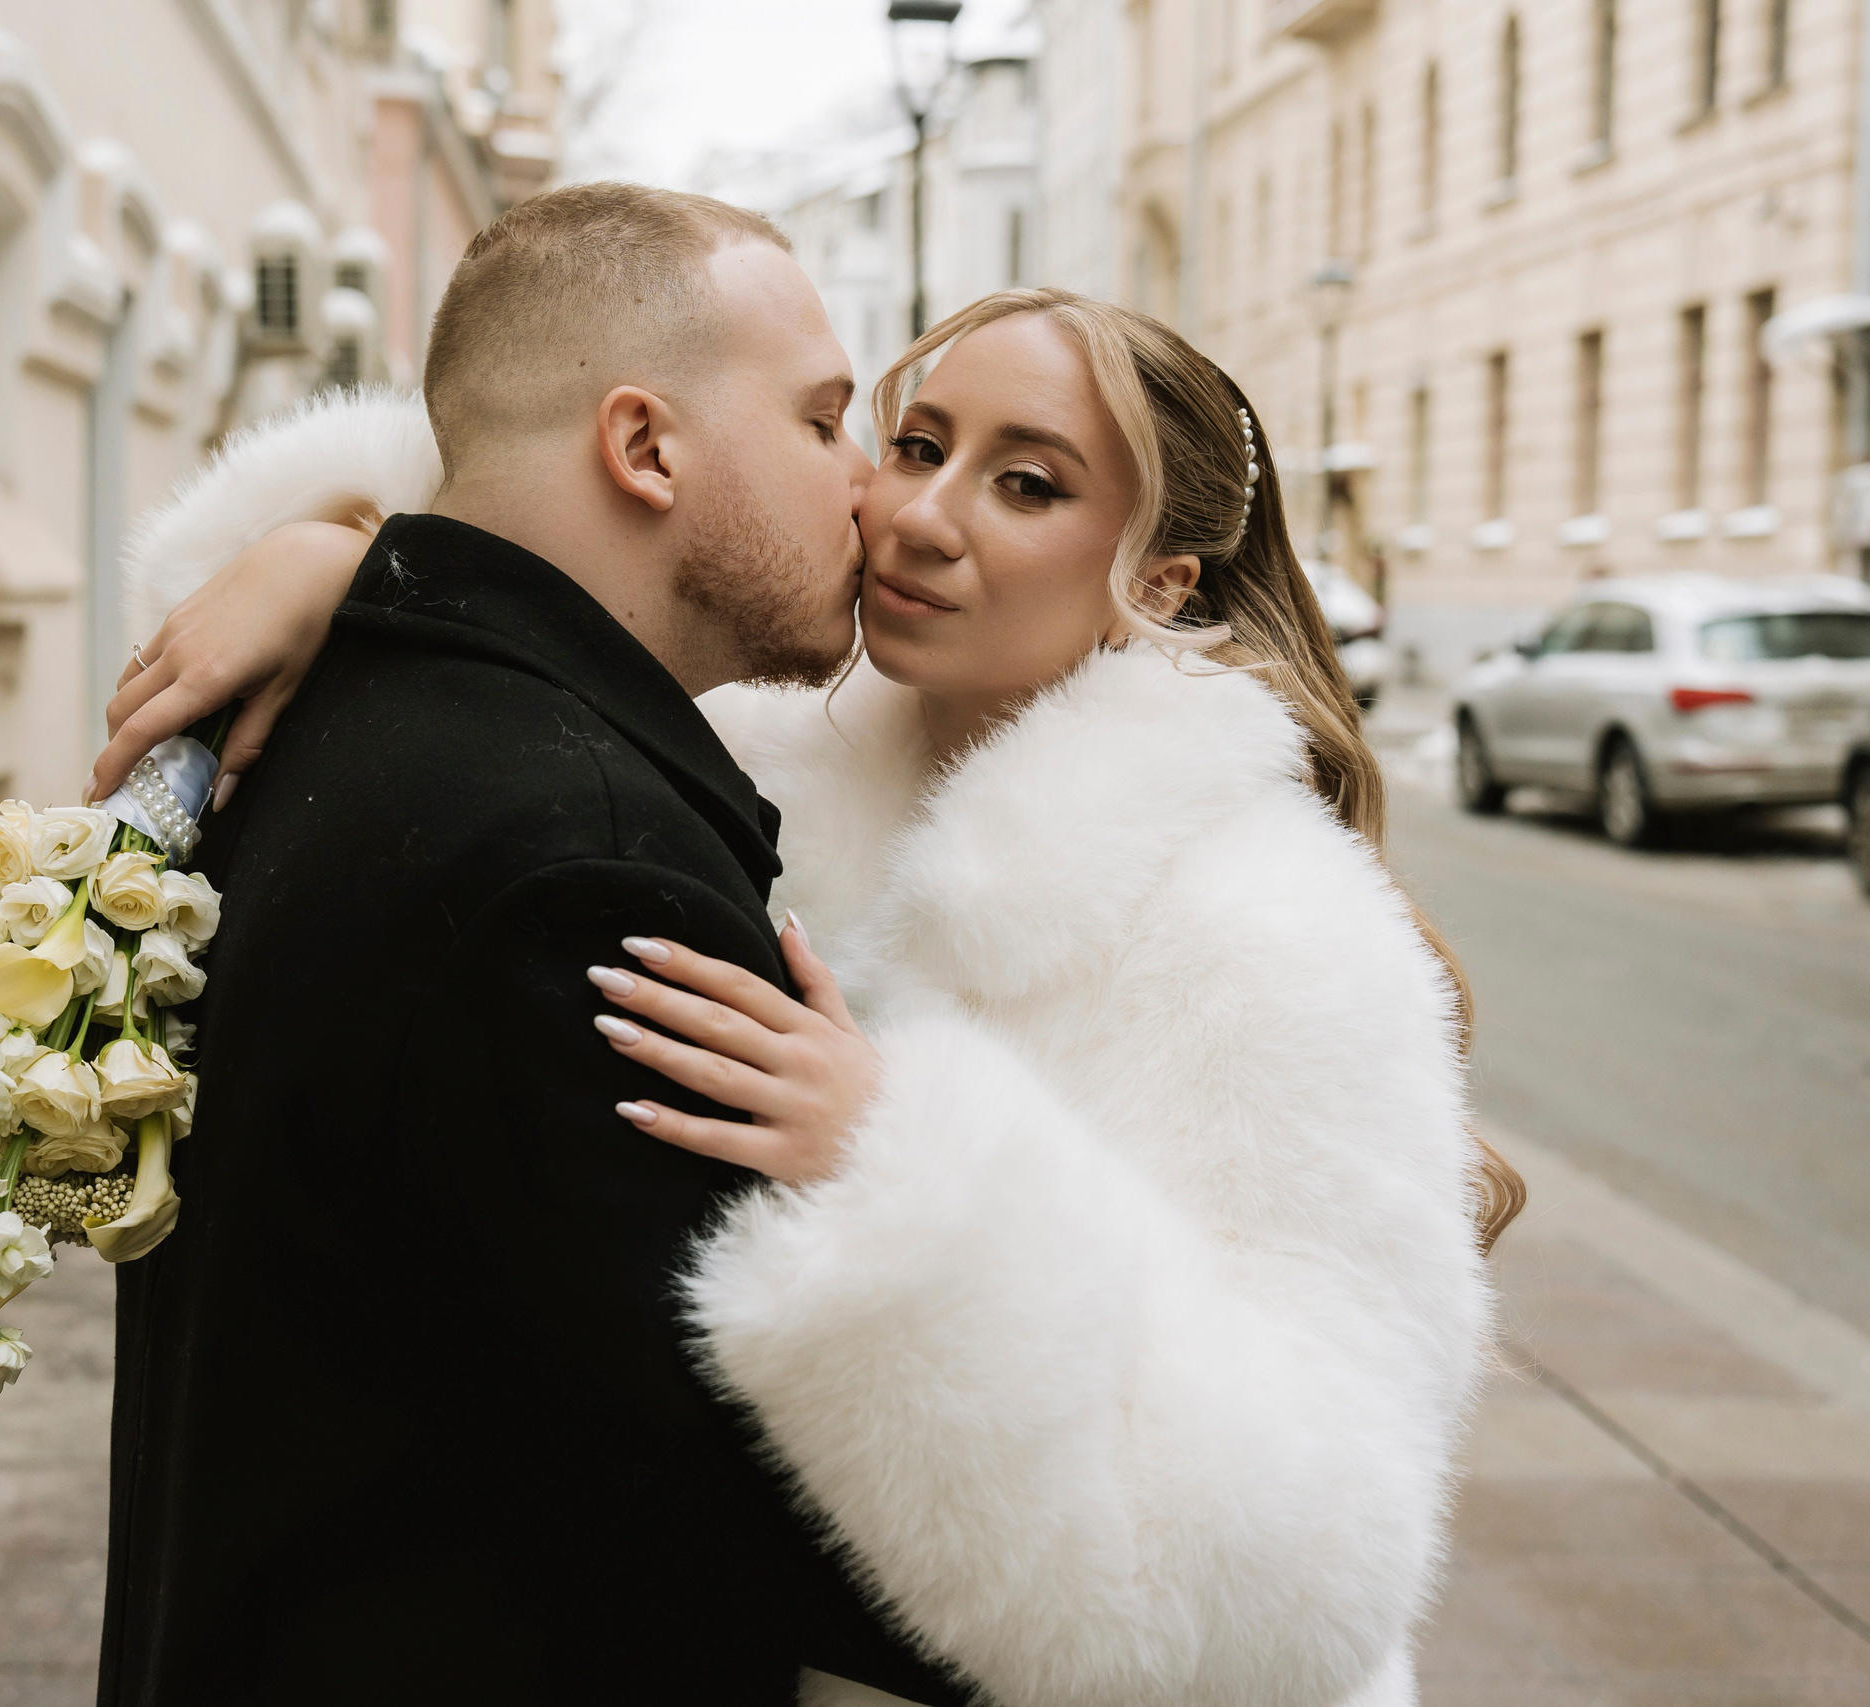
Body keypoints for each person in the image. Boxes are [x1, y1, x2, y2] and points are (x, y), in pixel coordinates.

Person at [103, 279, 1520, 1707]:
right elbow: (547, 523)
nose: (920, 516)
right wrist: (334, 547)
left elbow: (1316, 1565)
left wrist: (905, 1170)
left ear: (1157, 583)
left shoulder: (1269, 930)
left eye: (1025, 485)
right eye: (914, 445)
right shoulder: (752, 751)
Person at [93, 184, 976, 1706]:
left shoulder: (337, 711)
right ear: (645, 448)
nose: (868, 491)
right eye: (825, 420)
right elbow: (740, 1492)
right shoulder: (586, 865)